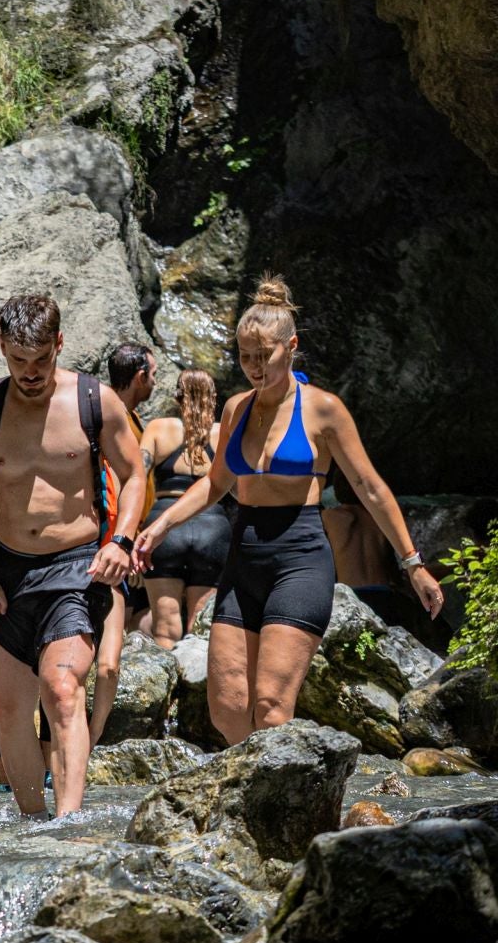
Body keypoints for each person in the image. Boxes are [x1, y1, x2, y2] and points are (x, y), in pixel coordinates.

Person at [134, 276, 444, 743]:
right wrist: (157, 528)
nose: (254, 367)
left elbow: (371, 488)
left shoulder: (323, 409)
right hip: (243, 558)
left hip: (299, 558)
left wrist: (412, 563)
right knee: (228, 707)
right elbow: (216, 484)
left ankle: (287, 809)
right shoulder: (237, 408)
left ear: (291, 346)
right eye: (245, 357)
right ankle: (250, 805)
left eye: (265, 355)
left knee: (272, 707)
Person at [0, 294, 146, 817]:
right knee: (10, 705)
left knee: (62, 689)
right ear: (2, 349)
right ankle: (33, 824)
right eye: (18, 360)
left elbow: (134, 475)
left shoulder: (94, 401)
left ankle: (69, 821)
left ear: (60, 345)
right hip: (7, 569)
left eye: (41, 360)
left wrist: (120, 541)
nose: (30, 373)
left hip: (75, 566)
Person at [90, 342, 158, 740]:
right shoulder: (108, 417)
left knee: (107, 661)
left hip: (117, 545)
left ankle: (90, 740)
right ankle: (78, 740)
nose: (155, 382)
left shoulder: (129, 418)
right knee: (100, 660)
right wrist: (124, 542)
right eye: (153, 374)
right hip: (103, 548)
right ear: (139, 377)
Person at [139, 366, 229, 647]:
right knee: (201, 628)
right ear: (214, 398)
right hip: (213, 526)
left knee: (165, 627)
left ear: (177, 397)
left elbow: (136, 481)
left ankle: (168, 689)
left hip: (164, 525)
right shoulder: (224, 433)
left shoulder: (158, 428)